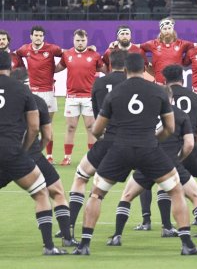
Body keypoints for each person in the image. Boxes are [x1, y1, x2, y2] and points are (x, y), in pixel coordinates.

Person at [73, 53, 197, 256]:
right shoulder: (158, 91)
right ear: (145, 70)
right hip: (149, 149)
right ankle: (187, 244)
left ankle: (84, 244)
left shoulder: (115, 93)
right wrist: (155, 140)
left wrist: (112, 141)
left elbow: (96, 130)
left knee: (97, 194)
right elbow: (169, 127)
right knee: (176, 191)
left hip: (120, 148)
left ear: (125, 70)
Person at [106, 86, 197, 248]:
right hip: (171, 163)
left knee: (127, 196)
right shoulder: (180, 114)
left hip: (147, 161)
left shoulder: (145, 113)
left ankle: (117, 236)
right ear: (172, 99)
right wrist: (179, 159)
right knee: (196, 196)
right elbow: (190, 144)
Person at [0, 52, 65, 255]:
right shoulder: (22, 90)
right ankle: (49, 246)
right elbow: (35, 127)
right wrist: (23, 150)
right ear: (10, 66)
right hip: (13, 151)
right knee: (40, 193)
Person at [9, 68, 78, 247]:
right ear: (28, 83)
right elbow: (47, 134)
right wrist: (35, 150)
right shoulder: (37, 101)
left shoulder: (6, 101)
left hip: (5, 154)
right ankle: (66, 239)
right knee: (56, 192)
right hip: (30, 156)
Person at [66, 50, 128, 236]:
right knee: (146, 180)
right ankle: (160, 223)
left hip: (107, 140)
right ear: (127, 66)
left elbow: (96, 116)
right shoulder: (132, 84)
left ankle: (69, 226)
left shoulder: (99, 83)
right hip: (135, 141)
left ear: (109, 65)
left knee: (81, 178)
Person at [55, 29, 105, 166]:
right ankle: (67, 157)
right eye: (78, 40)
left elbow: (105, 69)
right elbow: (57, 68)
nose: (80, 43)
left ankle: (92, 158)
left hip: (89, 96)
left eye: (83, 40)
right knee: (71, 127)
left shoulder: (94, 55)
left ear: (87, 41)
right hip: (71, 97)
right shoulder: (67, 54)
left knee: (90, 127)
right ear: (73, 40)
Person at [16, 26, 64, 164]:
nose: (38, 38)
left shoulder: (52, 48)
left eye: (41, 35)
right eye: (36, 35)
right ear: (31, 36)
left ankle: (49, 156)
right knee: (30, 125)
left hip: (48, 91)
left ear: (44, 37)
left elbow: (66, 56)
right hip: (32, 92)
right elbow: (17, 55)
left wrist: (55, 70)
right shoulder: (25, 49)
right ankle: (28, 153)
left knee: (47, 125)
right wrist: (23, 69)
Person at [139, 18, 195, 84]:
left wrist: (186, 62)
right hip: (159, 84)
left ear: (173, 30)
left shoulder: (182, 44)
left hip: (176, 84)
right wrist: (146, 64)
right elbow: (138, 48)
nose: (167, 31)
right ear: (161, 31)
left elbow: (195, 47)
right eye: (164, 29)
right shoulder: (152, 44)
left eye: (169, 28)